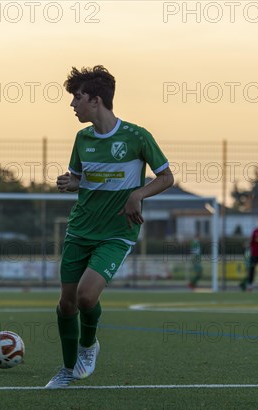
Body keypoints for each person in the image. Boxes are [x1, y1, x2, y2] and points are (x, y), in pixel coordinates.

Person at [46, 66, 174, 389]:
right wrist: (70, 182)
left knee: (86, 297)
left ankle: (87, 349)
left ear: (96, 100)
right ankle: (66, 369)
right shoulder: (82, 139)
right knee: (66, 304)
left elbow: (167, 177)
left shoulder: (137, 137)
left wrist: (138, 193)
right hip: (80, 229)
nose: (72, 105)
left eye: (77, 98)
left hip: (117, 233)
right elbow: (79, 178)